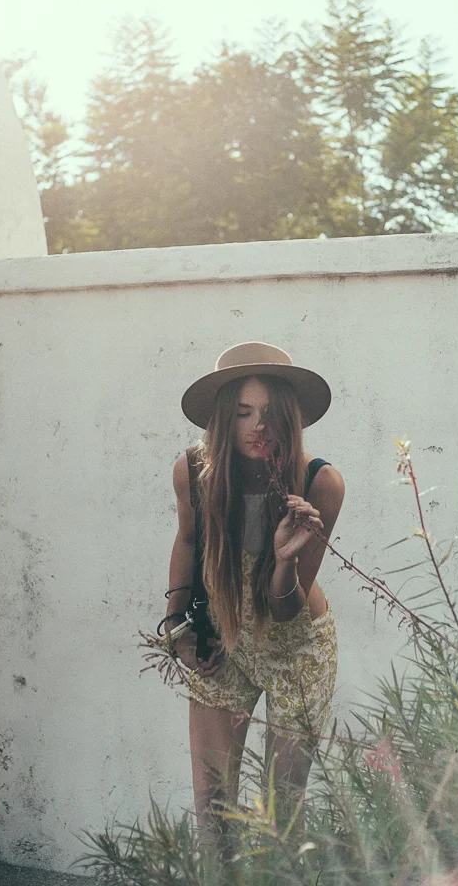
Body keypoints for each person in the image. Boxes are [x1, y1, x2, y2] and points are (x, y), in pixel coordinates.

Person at [162, 341, 345, 855]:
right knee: (213, 809)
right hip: (227, 641)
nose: (257, 427)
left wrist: (284, 560)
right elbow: (188, 540)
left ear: (289, 417)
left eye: (269, 413)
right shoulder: (193, 472)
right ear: (223, 416)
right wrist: (176, 625)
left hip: (298, 652)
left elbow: (286, 610)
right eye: (243, 412)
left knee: (280, 817)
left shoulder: (320, 483)